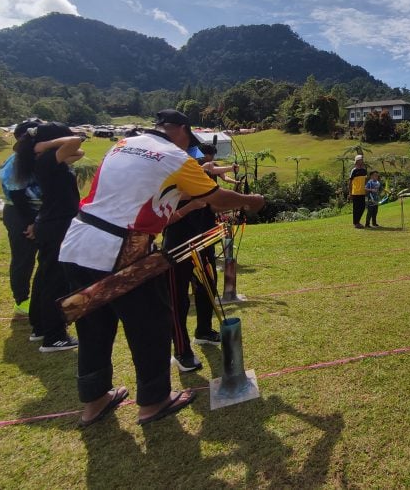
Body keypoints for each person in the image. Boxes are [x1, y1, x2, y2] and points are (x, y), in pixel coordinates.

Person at [58, 109, 264, 427]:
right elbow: (218, 200)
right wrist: (250, 200)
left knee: (93, 327)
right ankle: (153, 402)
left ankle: (94, 400)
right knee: (151, 323)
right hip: (120, 248)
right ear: (180, 131)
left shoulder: (123, 144)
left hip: (77, 242)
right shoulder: (175, 157)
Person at [14, 122, 83, 353]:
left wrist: (45, 144)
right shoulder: (46, 159)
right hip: (57, 225)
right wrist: (47, 144)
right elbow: (76, 142)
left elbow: (78, 150)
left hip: (51, 223)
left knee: (44, 277)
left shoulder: (48, 160)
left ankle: (40, 326)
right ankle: (54, 336)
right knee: (56, 280)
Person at [164, 143, 228, 372]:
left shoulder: (203, 179)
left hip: (205, 241)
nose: (200, 164)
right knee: (178, 299)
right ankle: (181, 351)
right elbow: (163, 219)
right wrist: (191, 205)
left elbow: (214, 197)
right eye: (194, 161)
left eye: (199, 161)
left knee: (207, 287)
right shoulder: (171, 183)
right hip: (178, 246)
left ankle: (204, 330)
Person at [0, 120, 42, 314]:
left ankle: (42, 296)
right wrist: (30, 223)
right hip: (20, 213)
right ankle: (22, 299)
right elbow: (17, 195)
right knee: (23, 258)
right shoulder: (16, 162)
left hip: (36, 213)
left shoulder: (35, 158)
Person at [349, 154, 367, 229]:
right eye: (361, 160)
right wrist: (350, 193)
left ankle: (357, 222)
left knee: (362, 207)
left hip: (362, 192)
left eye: (362, 159)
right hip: (355, 192)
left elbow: (365, 181)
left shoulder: (364, 170)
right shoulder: (354, 170)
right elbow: (350, 182)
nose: (362, 161)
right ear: (357, 161)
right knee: (356, 208)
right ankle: (356, 223)